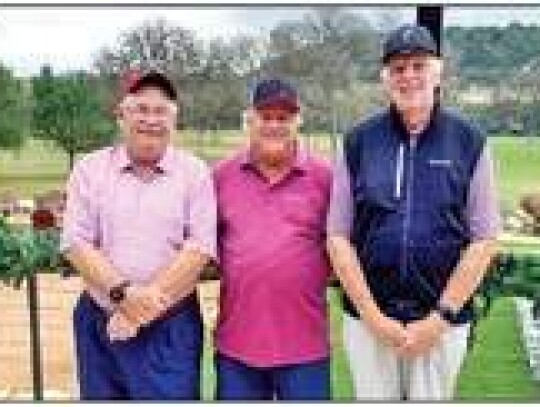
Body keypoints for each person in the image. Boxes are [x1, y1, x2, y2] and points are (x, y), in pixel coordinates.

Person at [326, 24, 501, 400]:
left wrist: (439, 319)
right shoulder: (358, 141)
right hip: (369, 323)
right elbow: (338, 236)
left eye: (418, 66)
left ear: (438, 71)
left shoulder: (469, 140)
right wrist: (372, 316)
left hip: (442, 323)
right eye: (398, 68)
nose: (408, 76)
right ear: (384, 78)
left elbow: (483, 240)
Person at [61, 69, 217, 400]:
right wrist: (125, 296)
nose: (151, 120)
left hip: (171, 328)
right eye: (140, 109)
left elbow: (200, 248)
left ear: (174, 120)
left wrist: (141, 308)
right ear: (121, 116)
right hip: (100, 323)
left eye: (160, 111)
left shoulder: (195, 173)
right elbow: (76, 243)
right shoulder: (88, 170)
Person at [213, 78, 333, 400]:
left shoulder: (326, 178)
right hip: (237, 347)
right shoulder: (221, 177)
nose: (274, 125)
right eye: (266, 117)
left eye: (284, 118)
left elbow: (341, 248)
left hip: (305, 348)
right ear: (249, 120)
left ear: (299, 121)